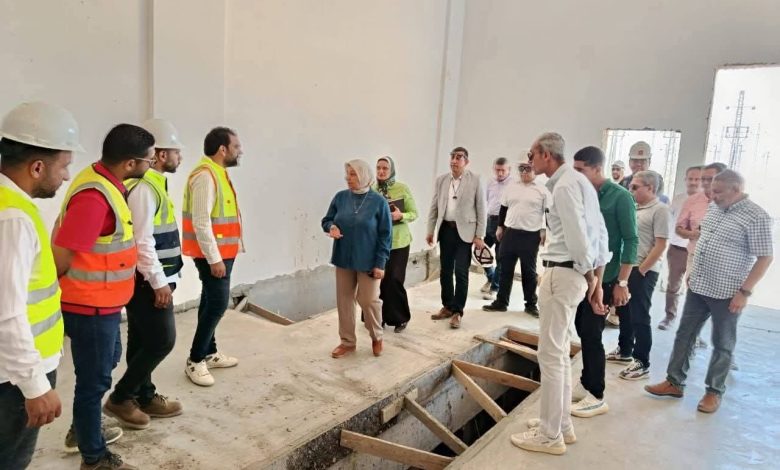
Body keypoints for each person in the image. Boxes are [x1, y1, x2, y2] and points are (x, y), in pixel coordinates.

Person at [53, 124, 154, 470]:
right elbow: (63, 253)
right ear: (130, 163)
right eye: (148, 160)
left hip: (105, 303)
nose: (152, 164)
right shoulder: (95, 198)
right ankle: (93, 457)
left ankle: (84, 428)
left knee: (107, 362)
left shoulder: (105, 182)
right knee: (93, 383)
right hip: (89, 305)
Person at [510, 133, 608, 456]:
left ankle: (549, 435)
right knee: (560, 352)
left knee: (550, 356)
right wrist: (593, 278)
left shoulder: (565, 186)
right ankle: (560, 424)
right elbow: (600, 236)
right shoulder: (579, 182)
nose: (529, 161)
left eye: (532, 154)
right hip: (574, 274)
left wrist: (591, 278)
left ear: (546, 154)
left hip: (564, 272)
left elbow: (579, 239)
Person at [646, 170, 772, 413]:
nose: (711, 196)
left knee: (722, 343)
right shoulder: (715, 208)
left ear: (736, 190)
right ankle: (674, 382)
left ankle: (714, 392)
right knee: (685, 335)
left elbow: (765, 257)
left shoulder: (756, 217)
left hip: (728, 292)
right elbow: (703, 240)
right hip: (699, 285)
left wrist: (744, 292)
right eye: (711, 190)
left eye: (717, 191)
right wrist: (694, 270)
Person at [0, 102, 80, 469]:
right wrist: (34, 386)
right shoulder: (13, 219)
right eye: (63, 166)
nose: (66, 176)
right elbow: (6, 313)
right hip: (13, 378)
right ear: (37, 167)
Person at [103, 119, 185, 431]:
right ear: (161, 155)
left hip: (150, 277)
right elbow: (142, 241)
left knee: (141, 338)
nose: (179, 157)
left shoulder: (154, 184)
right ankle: (121, 397)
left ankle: (144, 395)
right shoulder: (144, 189)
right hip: (146, 279)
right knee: (162, 340)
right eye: (176, 151)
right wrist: (158, 282)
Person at [570, 146, 638, 418]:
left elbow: (630, 240)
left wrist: (623, 281)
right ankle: (587, 380)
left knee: (591, 332)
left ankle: (596, 394)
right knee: (581, 327)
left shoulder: (620, 197)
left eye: (581, 170)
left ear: (597, 168)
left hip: (606, 277)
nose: (576, 175)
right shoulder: (582, 194)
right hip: (583, 273)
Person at [182, 127, 243, 387]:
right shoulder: (206, 176)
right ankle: (195, 359)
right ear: (222, 149)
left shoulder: (218, 172)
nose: (240, 151)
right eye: (236, 146)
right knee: (218, 304)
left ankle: (209, 352)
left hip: (222, 252)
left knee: (210, 300)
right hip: (213, 255)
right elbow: (201, 221)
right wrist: (214, 259)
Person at [322, 159, 392, 358]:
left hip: (369, 261)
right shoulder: (340, 197)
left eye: (353, 174)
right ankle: (347, 342)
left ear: (363, 175)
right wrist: (331, 227)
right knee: (344, 301)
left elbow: (385, 235)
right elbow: (327, 220)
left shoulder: (378, 202)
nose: (348, 178)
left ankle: (377, 336)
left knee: (369, 300)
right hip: (343, 258)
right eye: (347, 174)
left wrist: (380, 263)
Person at [608, 171, 670, 380]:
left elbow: (660, 245)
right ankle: (625, 350)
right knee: (624, 311)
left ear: (650, 188)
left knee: (639, 315)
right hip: (627, 266)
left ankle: (642, 362)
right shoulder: (635, 207)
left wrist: (641, 270)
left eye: (635, 187)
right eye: (630, 186)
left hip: (644, 270)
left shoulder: (660, 210)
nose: (630, 190)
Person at [427, 147, 487, 329]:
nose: (454, 160)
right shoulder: (441, 180)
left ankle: (457, 311)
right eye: (452, 157)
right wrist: (430, 230)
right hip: (446, 230)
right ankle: (447, 306)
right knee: (445, 271)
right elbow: (434, 206)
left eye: (459, 157)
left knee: (461, 271)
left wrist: (479, 235)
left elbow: (481, 208)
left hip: (465, 233)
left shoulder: (475, 180)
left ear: (466, 161)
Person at [482, 157, 549, 316]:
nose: (524, 172)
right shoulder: (511, 187)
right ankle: (501, 302)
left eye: (528, 168)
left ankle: (530, 304)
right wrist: (500, 227)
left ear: (534, 169)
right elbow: (503, 208)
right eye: (521, 168)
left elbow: (548, 212)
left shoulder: (542, 189)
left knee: (529, 272)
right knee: (505, 269)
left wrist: (544, 230)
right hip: (510, 233)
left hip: (530, 235)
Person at [675, 162, 727, 349]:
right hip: (696, 256)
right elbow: (679, 228)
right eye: (703, 179)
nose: (705, 183)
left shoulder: (733, 204)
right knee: (695, 297)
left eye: (709, 179)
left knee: (722, 304)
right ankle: (693, 336)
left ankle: (723, 347)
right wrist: (692, 234)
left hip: (723, 260)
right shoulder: (692, 201)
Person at [374, 156, 417, 333]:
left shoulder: (402, 188)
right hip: (378, 243)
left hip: (399, 242)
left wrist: (401, 216)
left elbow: (414, 213)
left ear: (391, 170)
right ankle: (379, 317)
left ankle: (400, 318)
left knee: (394, 279)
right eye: (378, 168)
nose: (381, 171)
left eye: (385, 168)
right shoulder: (372, 190)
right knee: (378, 281)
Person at [659, 166, 702, 330]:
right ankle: (669, 317)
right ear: (685, 180)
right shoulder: (678, 199)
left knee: (695, 289)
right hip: (677, 248)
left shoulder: (707, 202)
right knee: (673, 286)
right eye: (690, 179)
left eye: (697, 179)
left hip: (698, 252)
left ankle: (692, 327)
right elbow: (668, 222)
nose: (693, 182)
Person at [481, 157, 511, 301]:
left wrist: (504, 226)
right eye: (497, 170)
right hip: (490, 220)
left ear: (509, 170)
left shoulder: (513, 184)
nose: (500, 173)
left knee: (500, 257)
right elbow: (487, 201)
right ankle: (491, 277)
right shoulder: (490, 182)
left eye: (503, 170)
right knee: (480, 251)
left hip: (504, 223)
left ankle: (495, 288)